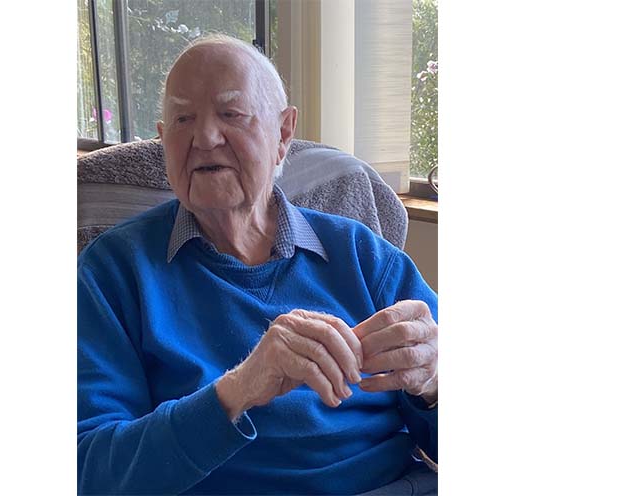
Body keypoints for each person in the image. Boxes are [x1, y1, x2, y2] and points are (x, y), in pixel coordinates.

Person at [78, 34, 438, 495]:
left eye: (231, 114)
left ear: (283, 134)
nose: (205, 138)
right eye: (184, 119)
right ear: (164, 140)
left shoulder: (362, 254)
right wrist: (239, 390)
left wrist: (432, 384)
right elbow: (91, 472)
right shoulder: (112, 273)